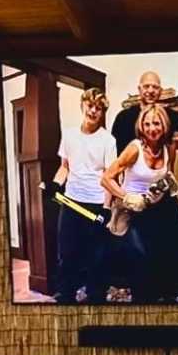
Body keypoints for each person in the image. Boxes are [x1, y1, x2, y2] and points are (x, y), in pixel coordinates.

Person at [110, 96, 178, 302]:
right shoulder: (134, 148)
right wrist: (126, 197)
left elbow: (167, 175)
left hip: (155, 208)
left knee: (162, 257)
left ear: (164, 124)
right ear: (140, 126)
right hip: (131, 211)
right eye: (147, 124)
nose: (152, 128)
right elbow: (107, 178)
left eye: (156, 123)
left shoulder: (167, 147)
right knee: (140, 259)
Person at [48, 78, 119, 303]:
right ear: (83, 106)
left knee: (97, 257)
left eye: (98, 108)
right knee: (67, 254)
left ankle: (95, 297)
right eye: (90, 105)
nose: (93, 111)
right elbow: (65, 166)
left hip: (97, 203)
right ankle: (65, 296)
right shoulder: (69, 135)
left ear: (103, 113)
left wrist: (106, 209)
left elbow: (111, 175)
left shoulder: (108, 140)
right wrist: (55, 184)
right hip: (71, 202)